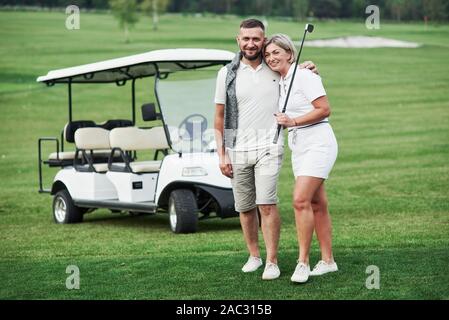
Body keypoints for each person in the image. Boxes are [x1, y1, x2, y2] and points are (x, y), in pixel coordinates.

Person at [214, 19, 317, 281]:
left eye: (256, 39)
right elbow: (219, 117)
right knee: (245, 207)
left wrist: (307, 67)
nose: (251, 44)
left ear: (264, 39)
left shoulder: (275, 66)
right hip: (237, 149)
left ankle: (272, 261)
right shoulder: (226, 74)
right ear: (238, 40)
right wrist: (222, 154)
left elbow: (297, 75)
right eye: (245, 39)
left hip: (269, 147)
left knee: (266, 204)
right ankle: (254, 256)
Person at [264, 34, 339, 283]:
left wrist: (293, 121)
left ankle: (303, 262)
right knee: (317, 203)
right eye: (268, 54)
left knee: (299, 200)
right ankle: (328, 261)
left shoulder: (304, 75)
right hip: (299, 145)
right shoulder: (282, 80)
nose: (271, 57)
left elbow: (324, 108)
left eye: (276, 52)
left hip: (318, 142)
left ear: (289, 53)